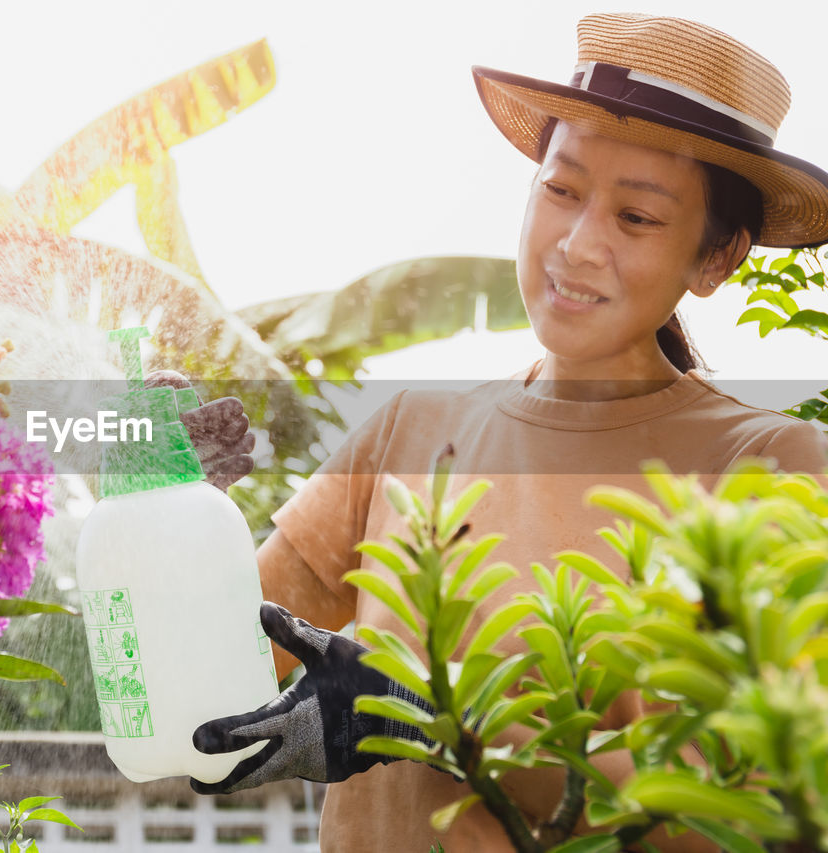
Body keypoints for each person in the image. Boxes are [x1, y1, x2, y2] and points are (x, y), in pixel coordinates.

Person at [181, 13, 828, 852]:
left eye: (636, 218)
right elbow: (216, 690)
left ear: (717, 258)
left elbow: (762, 793)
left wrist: (427, 717)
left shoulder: (772, 465)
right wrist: (186, 510)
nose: (579, 244)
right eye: (561, 190)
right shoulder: (409, 432)